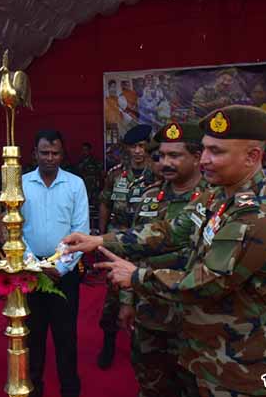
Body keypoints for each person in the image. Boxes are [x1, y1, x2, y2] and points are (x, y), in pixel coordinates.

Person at [64, 105, 266, 396]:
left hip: (244, 369)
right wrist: (100, 240)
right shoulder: (218, 196)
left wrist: (136, 276)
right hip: (210, 355)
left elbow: (205, 283)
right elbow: (172, 230)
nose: (205, 159)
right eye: (205, 149)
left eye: (216, 151)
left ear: (252, 156)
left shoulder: (258, 217)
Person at [119, 121, 207, 397]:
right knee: (152, 386)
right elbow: (133, 249)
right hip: (151, 313)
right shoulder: (149, 197)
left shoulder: (214, 198)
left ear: (197, 157)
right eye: (161, 155)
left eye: (175, 156)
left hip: (195, 317)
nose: (165, 162)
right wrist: (127, 301)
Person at [21, 129, 89, 397]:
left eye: (55, 153)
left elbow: (80, 230)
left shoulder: (75, 184)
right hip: (30, 273)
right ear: (34, 154)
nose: (50, 158)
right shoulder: (21, 184)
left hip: (65, 273)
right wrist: (35, 265)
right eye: (44, 153)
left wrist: (59, 267)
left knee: (66, 338)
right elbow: (14, 230)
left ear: (62, 155)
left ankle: (70, 390)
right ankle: (33, 390)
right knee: (32, 337)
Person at [97, 124, 157, 369]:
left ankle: (142, 347)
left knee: (145, 295)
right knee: (113, 296)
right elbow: (105, 203)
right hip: (118, 245)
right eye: (133, 147)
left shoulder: (158, 174)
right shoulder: (116, 174)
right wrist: (101, 236)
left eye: (142, 146)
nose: (138, 152)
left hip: (147, 246)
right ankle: (108, 342)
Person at [76, 142, 103, 229]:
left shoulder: (95, 161)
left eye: (86, 150)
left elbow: (101, 173)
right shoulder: (79, 162)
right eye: (83, 150)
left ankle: (96, 227)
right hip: (83, 188)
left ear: (90, 150)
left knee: (95, 208)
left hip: (94, 188)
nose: (85, 152)